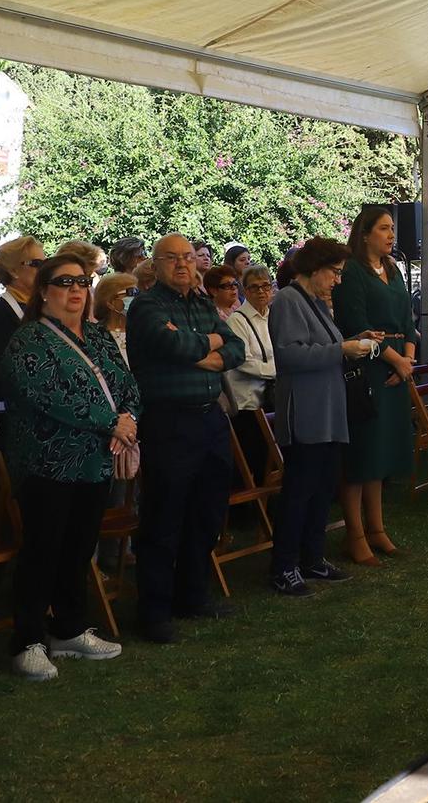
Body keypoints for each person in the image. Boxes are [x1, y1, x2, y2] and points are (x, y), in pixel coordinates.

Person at [0, 252, 137, 681]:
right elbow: (48, 395)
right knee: (43, 552)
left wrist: (128, 417)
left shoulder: (97, 337)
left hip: (95, 461)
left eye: (83, 282)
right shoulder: (28, 342)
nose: (77, 290)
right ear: (43, 291)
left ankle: (70, 629)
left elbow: (126, 383)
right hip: (48, 463)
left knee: (79, 550)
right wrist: (111, 421)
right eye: (65, 282)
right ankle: (28, 640)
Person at [126, 233, 245, 644]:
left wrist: (199, 349)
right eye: (172, 258)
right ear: (155, 265)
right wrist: (204, 346)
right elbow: (169, 342)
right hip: (168, 423)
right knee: (164, 516)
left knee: (207, 512)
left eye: (188, 258)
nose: (182, 265)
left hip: (210, 420)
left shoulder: (200, 303)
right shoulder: (146, 306)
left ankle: (193, 595)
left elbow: (236, 347)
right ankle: (155, 611)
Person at [267, 237, 374, 596]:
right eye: (335, 273)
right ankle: (285, 566)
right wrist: (342, 348)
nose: (338, 281)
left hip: (327, 409)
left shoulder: (313, 302)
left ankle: (313, 558)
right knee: (299, 490)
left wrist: (357, 339)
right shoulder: (287, 300)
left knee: (322, 487)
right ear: (316, 269)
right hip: (307, 410)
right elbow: (289, 356)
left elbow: (325, 347)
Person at [331, 206, 416, 564]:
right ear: (365, 234)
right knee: (362, 453)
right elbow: (355, 323)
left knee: (380, 452)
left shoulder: (393, 270)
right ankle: (355, 534)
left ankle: (378, 528)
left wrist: (408, 357)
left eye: (392, 229)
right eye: (384, 229)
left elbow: (407, 318)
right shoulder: (351, 272)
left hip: (398, 364)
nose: (391, 235)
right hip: (368, 366)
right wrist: (395, 359)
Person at [0, 236, 46, 431]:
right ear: (13, 270)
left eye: (47, 263)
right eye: (37, 264)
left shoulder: (46, 308)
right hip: (15, 418)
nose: (45, 269)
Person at [224, 267, 278, 480]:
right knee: (251, 464)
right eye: (254, 287)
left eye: (266, 285)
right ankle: (250, 511)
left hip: (273, 401)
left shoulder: (274, 316)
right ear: (245, 290)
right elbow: (243, 361)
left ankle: (271, 506)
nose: (262, 291)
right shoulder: (237, 320)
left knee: (271, 460)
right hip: (248, 405)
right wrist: (279, 370)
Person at [93, 273, 139, 367]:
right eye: (131, 292)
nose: (137, 298)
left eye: (138, 293)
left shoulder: (145, 331)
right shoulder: (94, 336)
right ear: (110, 302)